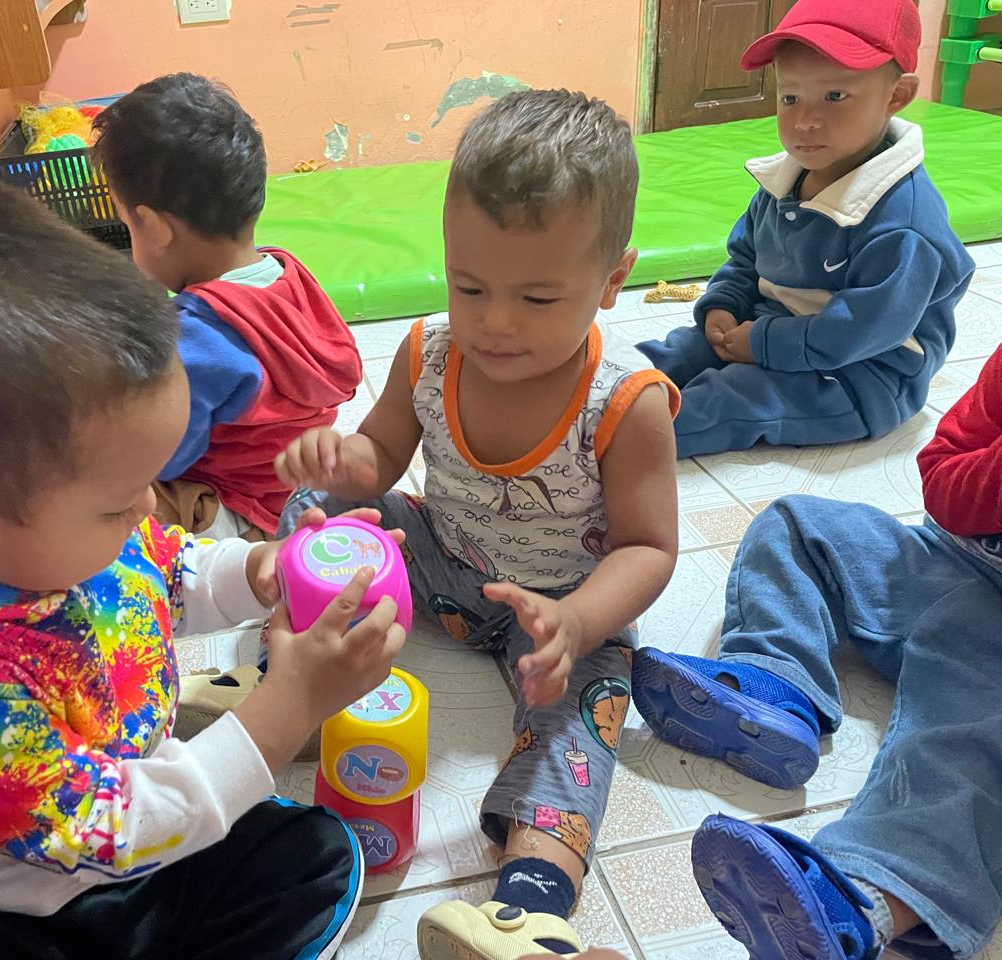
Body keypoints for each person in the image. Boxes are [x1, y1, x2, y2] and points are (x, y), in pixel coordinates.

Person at [0, 170, 406, 960]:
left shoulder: (48, 532)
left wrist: (259, 570)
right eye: (117, 503)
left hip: (136, 837)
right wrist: (290, 703)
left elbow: (167, 570)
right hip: (0, 912)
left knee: (309, 857)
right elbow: (108, 830)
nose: (146, 510)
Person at [278, 90, 681, 959]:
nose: (495, 322)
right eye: (470, 287)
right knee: (314, 516)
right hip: (443, 561)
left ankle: (528, 910)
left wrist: (576, 622)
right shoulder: (428, 353)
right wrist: (341, 462)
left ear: (613, 281)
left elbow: (649, 548)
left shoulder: (628, 404)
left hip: (561, 613)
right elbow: (381, 456)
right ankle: (298, 683)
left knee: (584, 720)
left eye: (536, 297)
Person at [631, 338, 1002, 960]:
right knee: (797, 525)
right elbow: (942, 470)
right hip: (949, 561)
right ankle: (778, 688)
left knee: (961, 748)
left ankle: (864, 904)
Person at [636, 0, 974, 460]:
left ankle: (618, 441)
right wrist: (723, 306)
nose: (804, 121)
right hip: (774, 327)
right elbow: (746, 259)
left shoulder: (905, 225)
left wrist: (763, 344)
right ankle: (587, 394)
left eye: (834, 97)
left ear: (897, 95)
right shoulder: (785, 180)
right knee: (679, 352)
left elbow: (862, 330)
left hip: (863, 375)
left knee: (735, 395)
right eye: (790, 98)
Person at [92, 73, 363, 540]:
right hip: (304, 494)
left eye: (128, 227)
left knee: (102, 495)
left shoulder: (196, 338)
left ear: (154, 228)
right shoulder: (289, 273)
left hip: (241, 512)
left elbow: (168, 457)